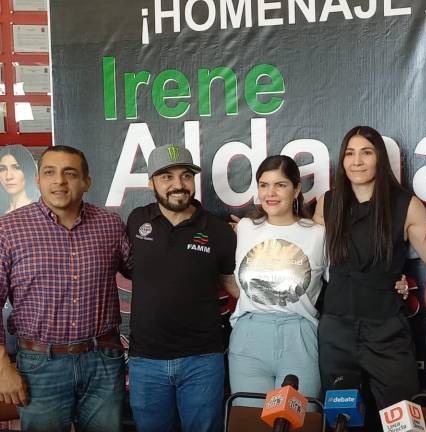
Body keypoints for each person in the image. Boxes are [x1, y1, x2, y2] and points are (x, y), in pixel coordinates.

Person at [0, 145, 130, 432]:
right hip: (39, 366)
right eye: (50, 172)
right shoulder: (8, 229)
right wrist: (1, 367)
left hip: (103, 362)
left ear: (86, 182)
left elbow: (146, 272)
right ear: (38, 180)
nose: (59, 181)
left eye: (70, 173)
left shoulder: (110, 225)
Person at [313, 126, 426, 417]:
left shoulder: (407, 205)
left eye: (366, 153)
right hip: (336, 331)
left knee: (403, 420)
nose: (357, 161)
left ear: (379, 157)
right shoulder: (327, 204)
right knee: (342, 420)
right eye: (350, 153)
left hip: (387, 330)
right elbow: (304, 256)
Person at [127, 144, 236, 432]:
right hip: (145, 361)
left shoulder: (218, 230)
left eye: (186, 176)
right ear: (151, 182)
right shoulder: (137, 220)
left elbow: (230, 282)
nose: (178, 184)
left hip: (203, 360)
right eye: (167, 177)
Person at [228, 155, 326, 405]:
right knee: (249, 419)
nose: (270, 193)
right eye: (264, 185)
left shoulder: (318, 234)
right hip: (249, 336)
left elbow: (346, 279)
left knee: (300, 419)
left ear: (297, 189)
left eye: (280, 185)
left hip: (299, 335)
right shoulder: (246, 228)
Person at [0, 145, 39, 214]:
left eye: (16, 168)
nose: (8, 176)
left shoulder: (39, 211)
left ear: (28, 170)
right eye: (2, 169)